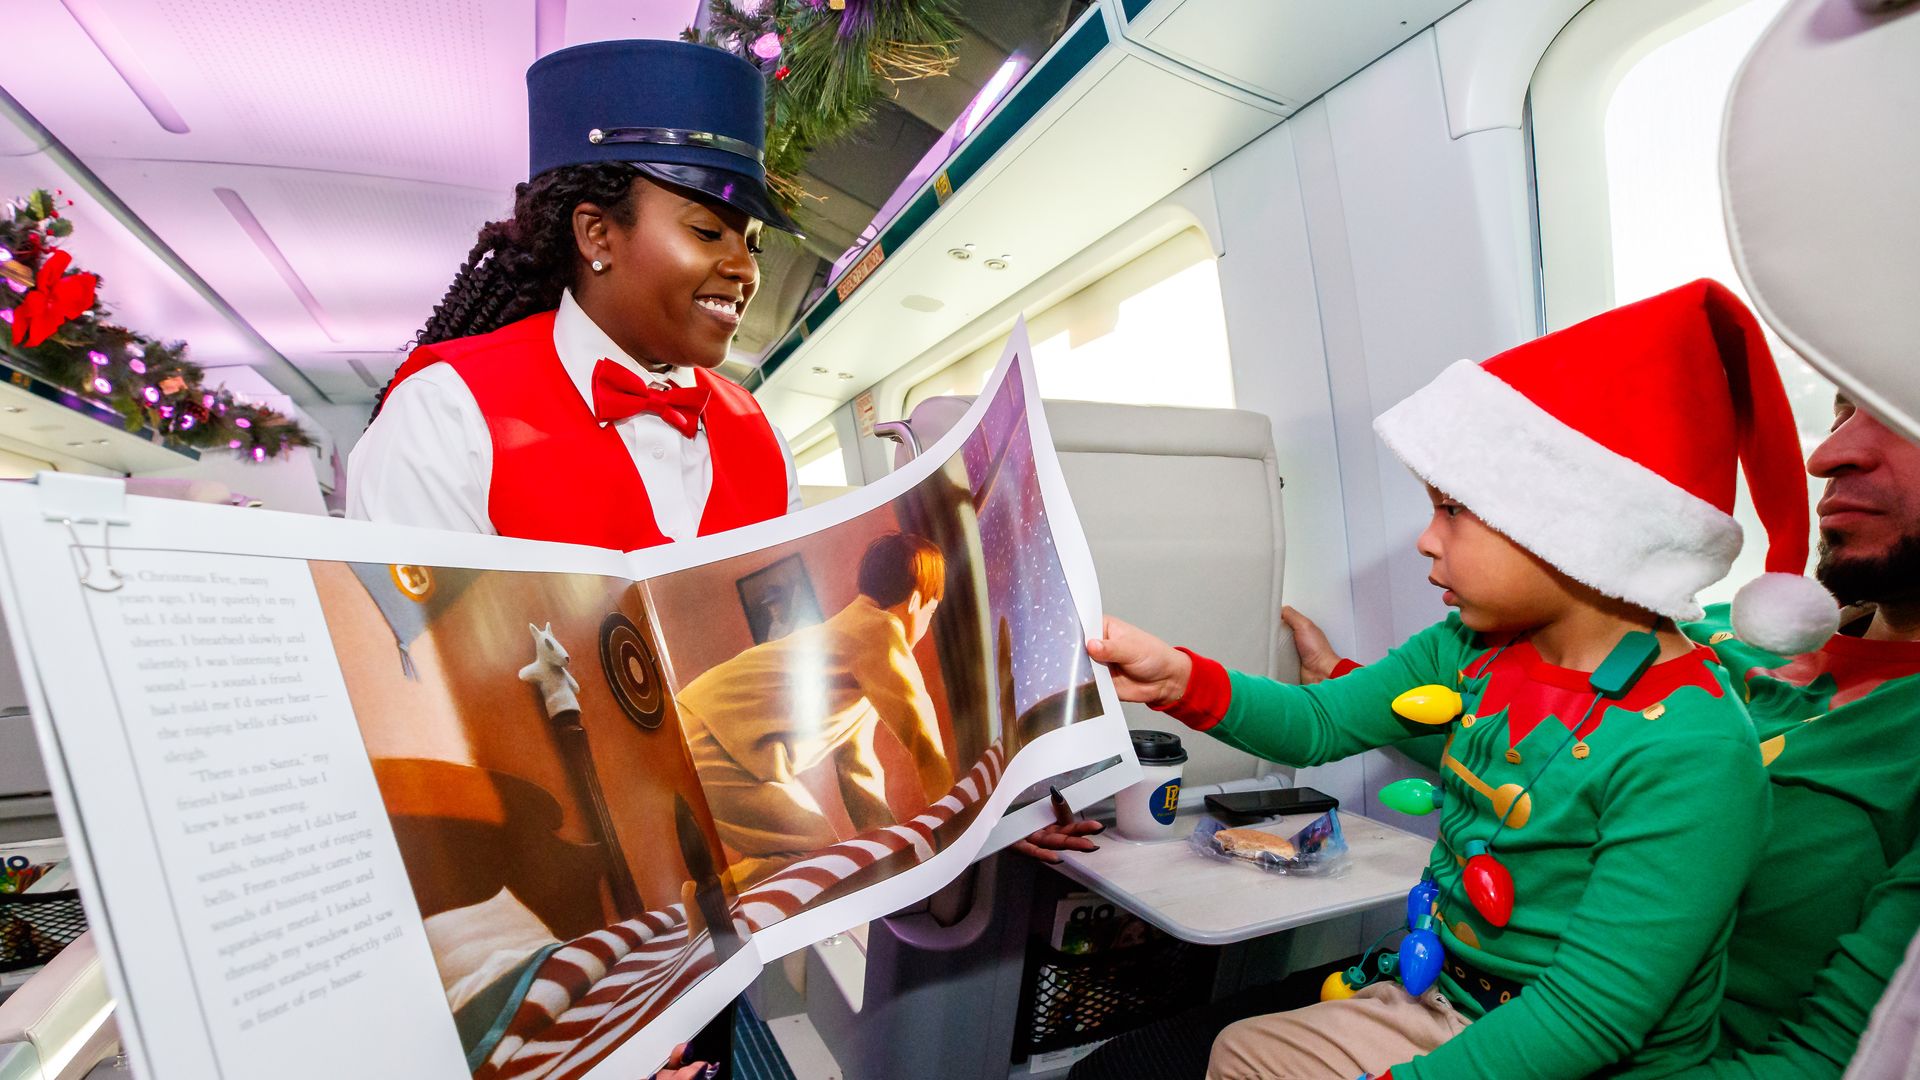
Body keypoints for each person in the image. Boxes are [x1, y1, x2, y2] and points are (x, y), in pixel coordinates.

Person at [1087, 281, 1840, 1080]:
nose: (1425, 541)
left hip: (1582, 1057)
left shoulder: (1694, 747)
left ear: (1570, 529)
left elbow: (1591, 1015)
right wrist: (1176, 678)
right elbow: (1317, 723)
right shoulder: (1466, 646)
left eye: (1452, 511)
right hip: (1443, 996)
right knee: (1237, 1052)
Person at [345, 38, 805, 1080]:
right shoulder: (444, 418)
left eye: (750, 242)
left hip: (720, 928)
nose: (743, 267)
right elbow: (407, 733)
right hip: (536, 958)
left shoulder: (749, 427)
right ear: (595, 233)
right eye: (707, 229)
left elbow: (783, 663)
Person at [1284, 391, 1920, 1078]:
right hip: (1499, 1014)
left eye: (1902, 414)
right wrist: (1341, 688)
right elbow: (1543, 768)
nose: (1828, 455)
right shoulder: (1707, 636)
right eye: (1839, 415)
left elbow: (1840, 1062)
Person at [676, 532, 956, 886]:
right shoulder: (880, 632)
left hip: (707, 729)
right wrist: (957, 824)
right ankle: (711, 901)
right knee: (816, 851)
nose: (927, 624)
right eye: (931, 611)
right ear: (916, 602)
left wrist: (889, 850)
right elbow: (923, 738)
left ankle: (710, 901)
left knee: (817, 851)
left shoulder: (853, 639)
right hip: (711, 735)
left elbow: (857, 767)